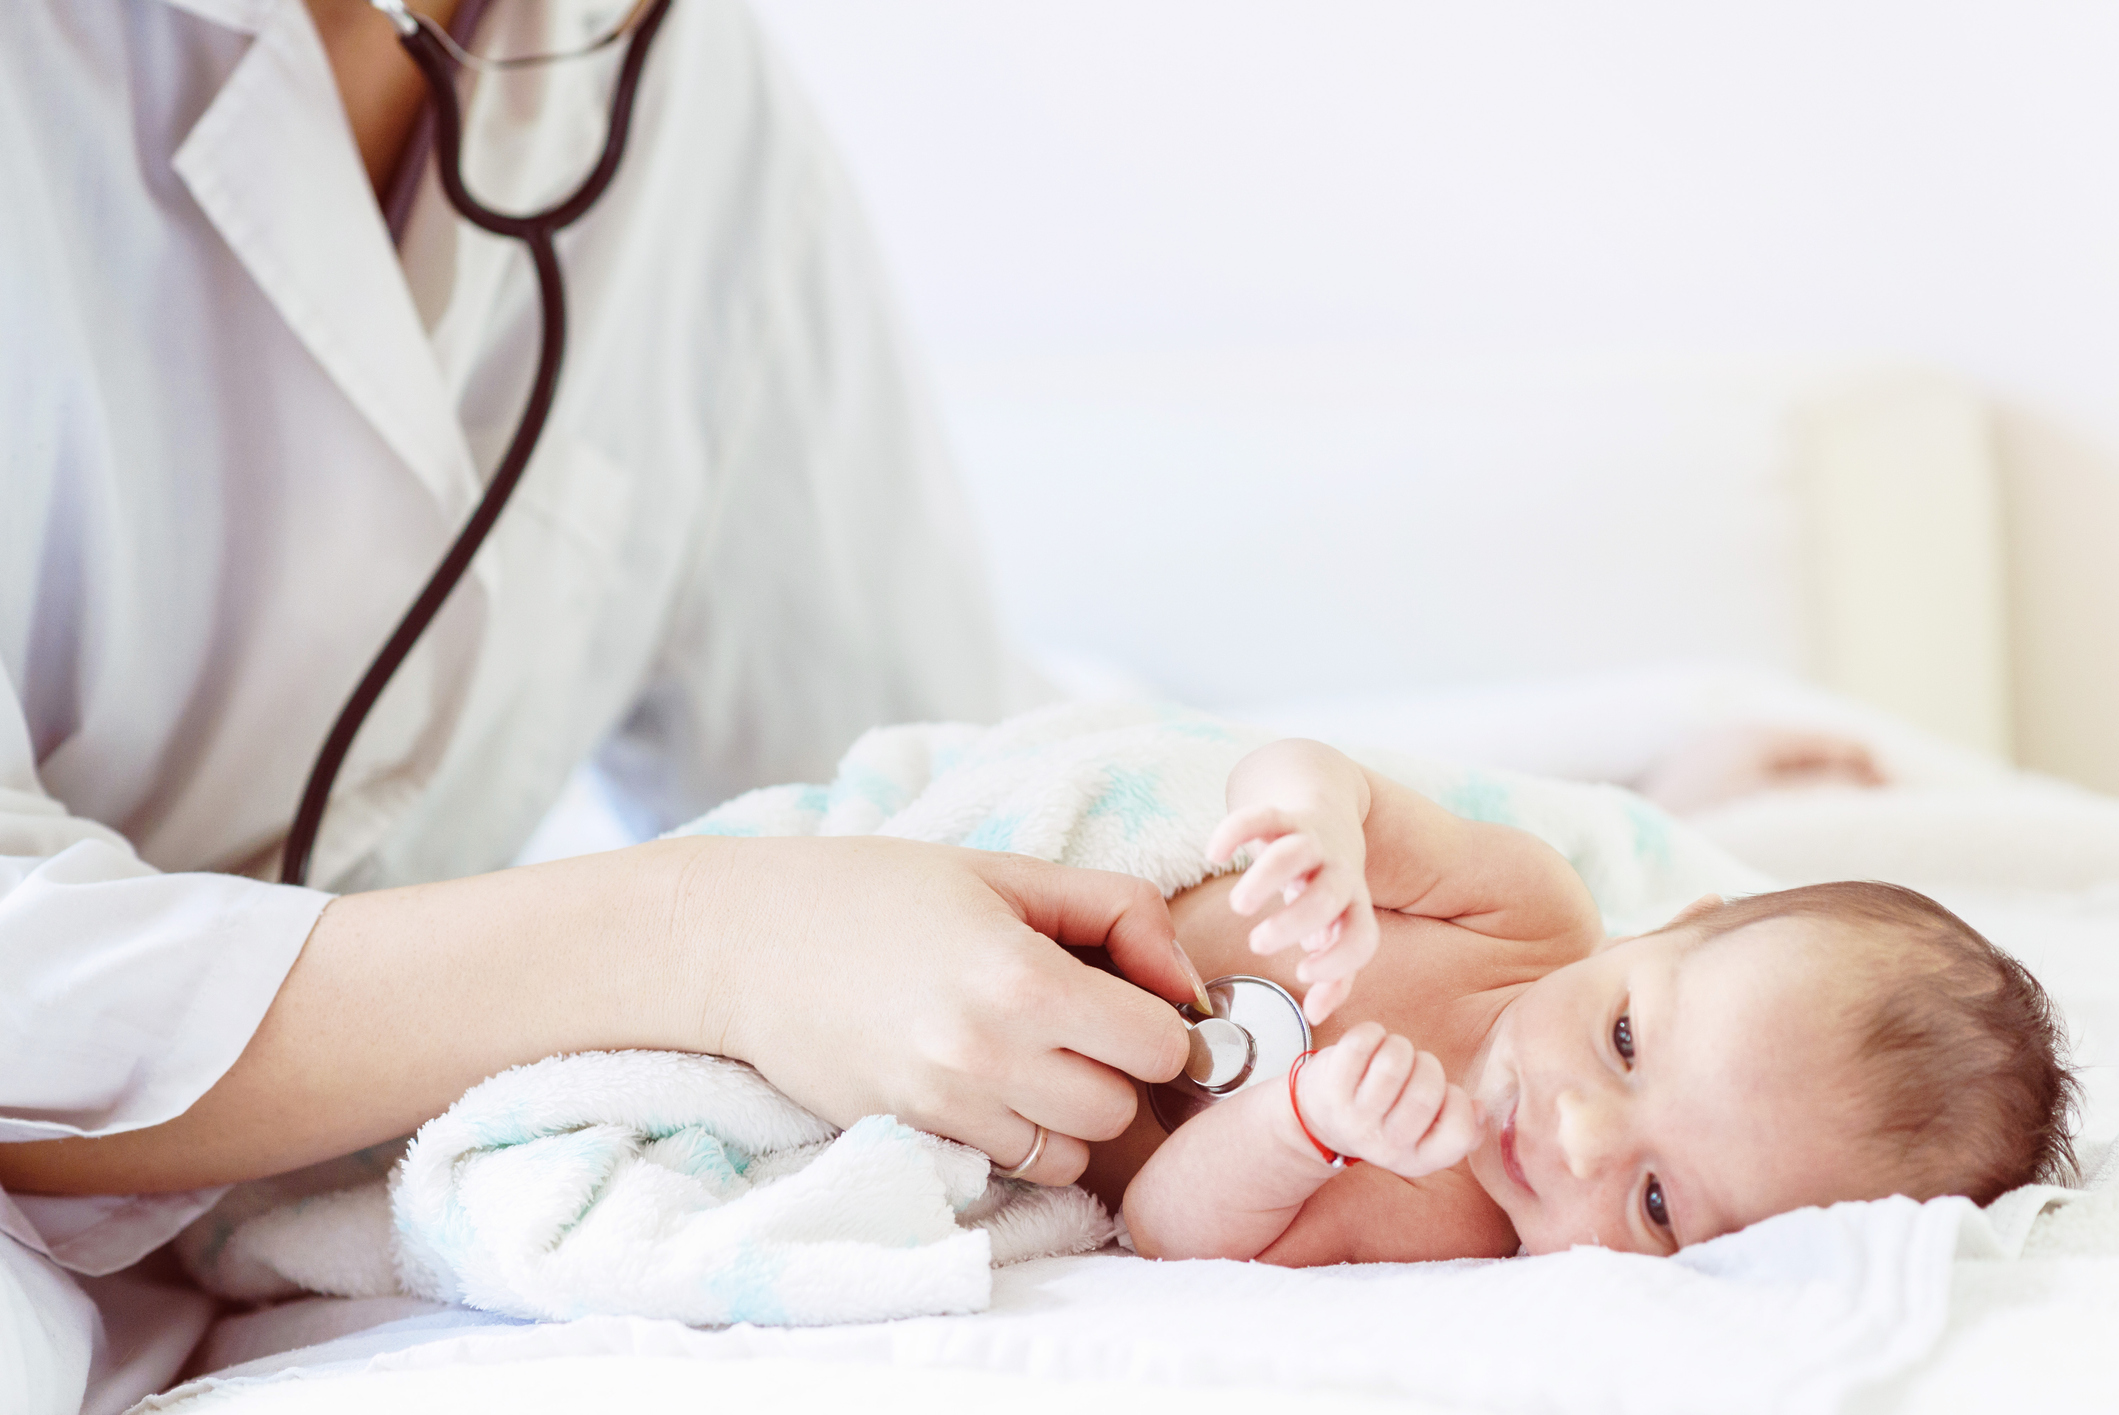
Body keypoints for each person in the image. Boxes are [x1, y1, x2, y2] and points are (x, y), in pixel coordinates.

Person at [0, 2, 1195, 1408]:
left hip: (256, 1243)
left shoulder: (673, 79)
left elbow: (922, 764)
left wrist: (1245, 841)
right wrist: (706, 936)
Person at [1103, 739, 2077, 1262]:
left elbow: (1163, 1225)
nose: (1574, 1135)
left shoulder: (1447, 1217)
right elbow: (1307, 766)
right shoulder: (1522, 913)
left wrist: (1300, 1124)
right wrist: (1314, 827)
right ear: (1663, 925)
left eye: (1654, 1200)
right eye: (1622, 1038)